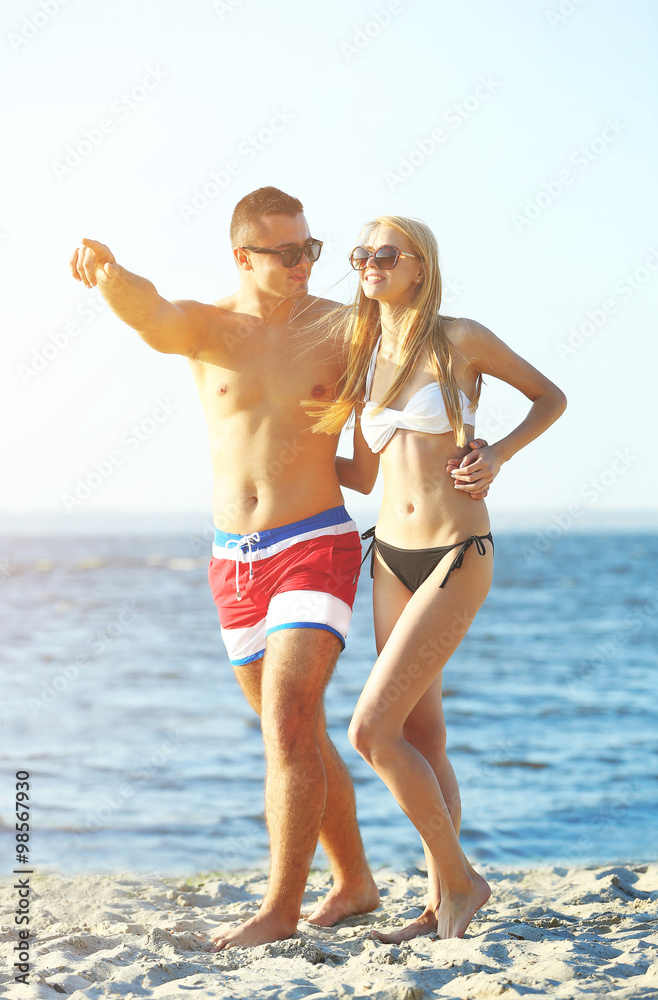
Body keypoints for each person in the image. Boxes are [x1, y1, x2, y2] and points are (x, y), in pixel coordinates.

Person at [69, 187, 380, 949]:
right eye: (288, 252)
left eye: (311, 249)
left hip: (314, 542)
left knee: (287, 722)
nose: (305, 263)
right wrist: (109, 275)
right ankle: (355, 882)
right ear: (242, 255)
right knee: (293, 730)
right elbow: (150, 312)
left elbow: (417, 374)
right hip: (233, 559)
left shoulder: (343, 327)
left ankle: (279, 911)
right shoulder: (208, 327)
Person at [310, 216, 566, 940]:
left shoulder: (461, 338)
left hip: (456, 553)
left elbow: (550, 397)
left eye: (385, 253)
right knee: (420, 735)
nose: (370, 262)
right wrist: (279, 456)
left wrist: (499, 455)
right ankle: (440, 905)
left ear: (420, 266)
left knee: (369, 730)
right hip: (391, 558)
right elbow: (363, 474)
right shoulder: (365, 353)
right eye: (361, 253)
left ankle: (461, 881)